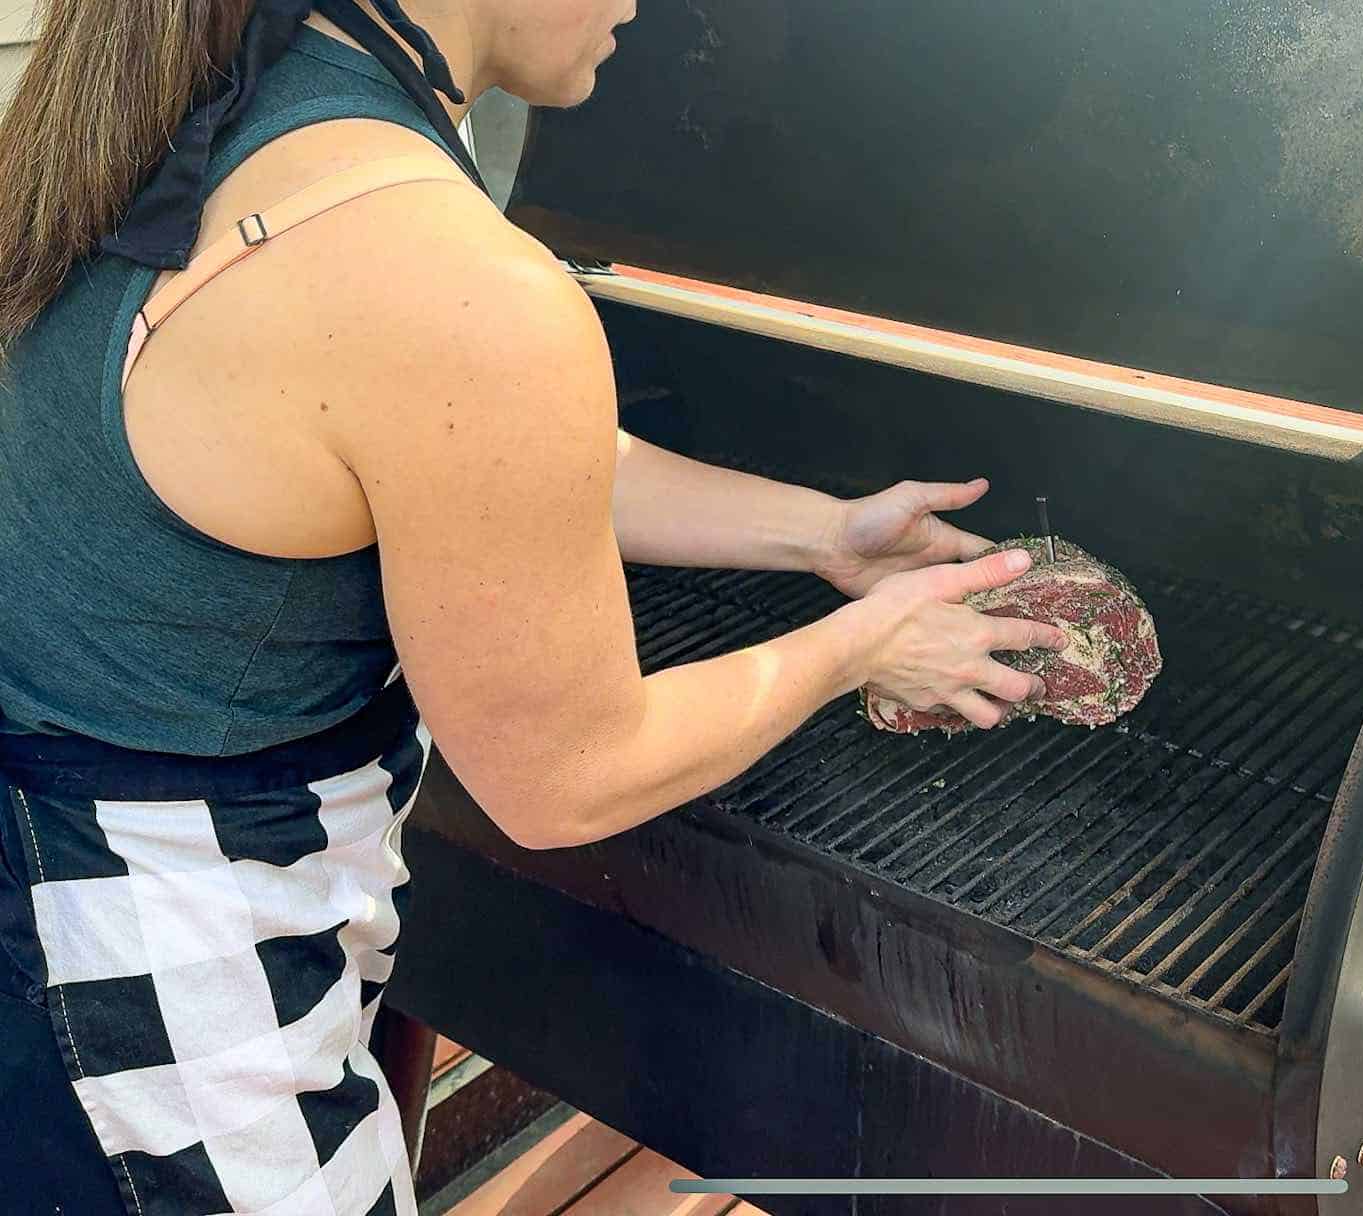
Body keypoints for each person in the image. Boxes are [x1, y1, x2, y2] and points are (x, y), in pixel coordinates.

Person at [0, 2, 1067, 1212]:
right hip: (156, 971)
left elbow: (482, 453)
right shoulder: (454, 279)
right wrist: (863, 646)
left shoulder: (247, 107)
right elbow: (567, 776)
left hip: (60, 887)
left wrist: (821, 533)